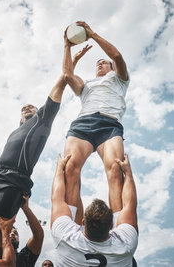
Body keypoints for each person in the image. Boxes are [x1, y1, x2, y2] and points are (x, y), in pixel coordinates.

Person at [0, 37, 92, 259]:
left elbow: (62, 82)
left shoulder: (42, 122)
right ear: (20, 118)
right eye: (23, 108)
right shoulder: (14, 133)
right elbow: (1, 161)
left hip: (14, 181)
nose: (27, 107)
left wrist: (70, 61)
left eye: (31, 106)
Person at [62, 21, 130, 221]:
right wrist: (67, 46)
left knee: (116, 170)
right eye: (97, 63)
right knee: (70, 169)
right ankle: (74, 228)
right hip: (83, 125)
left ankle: (119, 226)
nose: (100, 63)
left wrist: (92, 34)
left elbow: (116, 56)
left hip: (109, 127)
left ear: (111, 68)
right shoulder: (86, 84)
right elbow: (67, 75)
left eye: (104, 62)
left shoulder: (119, 79)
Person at [50, 153, 138, 266]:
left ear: (83, 223)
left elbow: (57, 198)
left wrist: (59, 169)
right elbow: (129, 204)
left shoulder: (65, 237)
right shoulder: (126, 245)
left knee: (71, 172)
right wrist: (128, 174)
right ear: (111, 225)